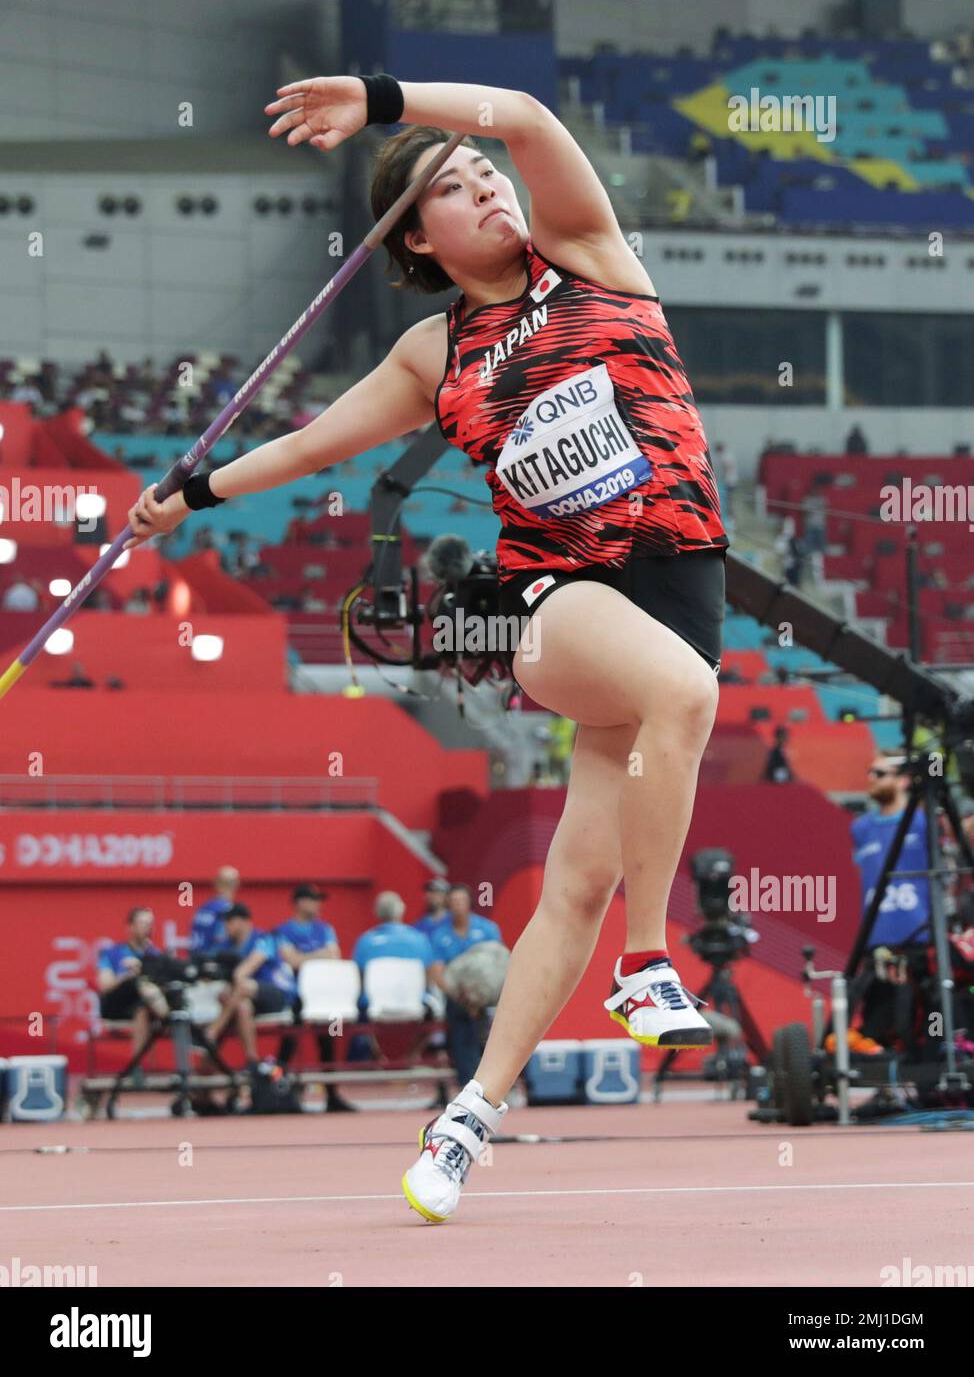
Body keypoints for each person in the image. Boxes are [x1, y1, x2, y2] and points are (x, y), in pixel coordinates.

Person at [127, 71, 728, 1222]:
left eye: (481, 170)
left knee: (576, 881)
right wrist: (189, 493)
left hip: (678, 588)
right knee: (685, 700)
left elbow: (531, 119)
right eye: (453, 187)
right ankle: (647, 966)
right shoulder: (432, 353)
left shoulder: (589, 256)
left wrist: (386, 98)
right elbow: (309, 446)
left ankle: (464, 1120)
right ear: (420, 242)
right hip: (553, 597)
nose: (486, 183)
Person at [849, 753, 931, 1048]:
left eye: (880, 773)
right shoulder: (860, 828)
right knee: (875, 1029)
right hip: (876, 941)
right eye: (870, 772)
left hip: (920, 940)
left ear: (903, 780)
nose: (871, 777)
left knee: (923, 1026)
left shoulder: (924, 822)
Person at [273, 882, 354, 1112]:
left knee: (327, 1040)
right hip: (295, 996)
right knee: (288, 1042)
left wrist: (304, 957)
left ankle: (331, 1094)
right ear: (300, 902)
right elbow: (291, 961)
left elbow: (334, 956)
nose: (318, 904)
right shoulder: (283, 930)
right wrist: (318, 956)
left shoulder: (325, 928)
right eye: (313, 899)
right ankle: (277, 1087)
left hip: (323, 995)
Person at [426, 884, 503, 1089]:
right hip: (458, 996)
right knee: (461, 1021)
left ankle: (498, 1083)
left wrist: (481, 997)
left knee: (493, 1023)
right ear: (448, 904)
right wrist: (461, 996)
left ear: (469, 903)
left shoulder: (487, 929)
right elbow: (437, 972)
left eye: (461, 900)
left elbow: (499, 964)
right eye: (454, 901)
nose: (458, 905)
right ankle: (468, 1084)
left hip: (488, 996)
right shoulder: (439, 935)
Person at [206, 903, 298, 1070]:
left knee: (243, 986)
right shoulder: (227, 945)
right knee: (242, 1007)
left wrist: (230, 986)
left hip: (278, 994)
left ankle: (213, 1031)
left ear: (243, 922)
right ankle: (252, 1061)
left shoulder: (264, 938)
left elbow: (241, 973)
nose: (226, 927)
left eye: (230, 922)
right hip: (250, 997)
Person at [95, 907, 169, 1064]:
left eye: (150, 924)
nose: (147, 927)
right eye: (142, 923)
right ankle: (169, 1018)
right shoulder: (112, 953)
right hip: (116, 1005)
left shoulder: (157, 956)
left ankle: (137, 1069)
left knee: (141, 1009)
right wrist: (127, 976)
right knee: (139, 987)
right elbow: (105, 985)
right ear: (130, 927)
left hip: (146, 1007)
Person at [190, 865, 240, 956]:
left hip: (196, 959)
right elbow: (222, 940)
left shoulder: (203, 909)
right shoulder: (227, 909)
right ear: (236, 885)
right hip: (213, 963)